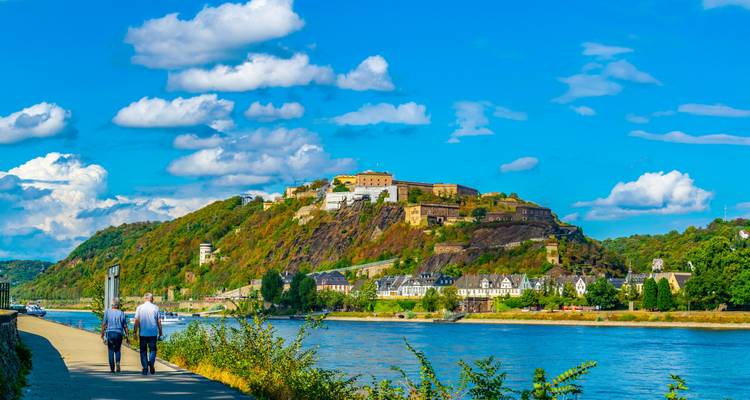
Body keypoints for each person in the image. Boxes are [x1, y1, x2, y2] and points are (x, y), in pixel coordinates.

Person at [133, 292, 162, 375]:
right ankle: (151, 363)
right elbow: (159, 321)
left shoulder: (139, 308)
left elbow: (137, 321)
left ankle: (145, 368)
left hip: (143, 333)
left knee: (143, 351)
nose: (153, 300)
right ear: (150, 298)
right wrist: (160, 332)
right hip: (153, 333)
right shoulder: (156, 308)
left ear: (144, 298)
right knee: (153, 350)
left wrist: (134, 332)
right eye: (153, 298)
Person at [100, 297, 129, 373]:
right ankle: (118, 363)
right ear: (118, 305)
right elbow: (125, 326)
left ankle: (112, 369)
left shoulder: (107, 312)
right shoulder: (121, 313)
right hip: (119, 333)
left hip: (110, 333)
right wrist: (127, 336)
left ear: (112, 304)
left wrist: (102, 334)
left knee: (110, 350)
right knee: (117, 349)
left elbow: (104, 324)